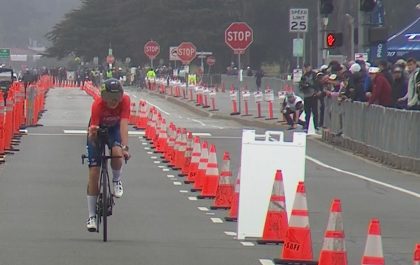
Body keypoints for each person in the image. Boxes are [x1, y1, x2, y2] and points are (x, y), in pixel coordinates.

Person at [85, 78, 131, 232]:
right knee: (94, 172)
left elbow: (124, 124)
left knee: (117, 153)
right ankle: (91, 216)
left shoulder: (125, 101)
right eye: (109, 98)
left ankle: (117, 179)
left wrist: (125, 147)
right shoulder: (97, 105)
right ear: (103, 96)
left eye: (116, 97)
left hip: (114, 130)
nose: (113, 101)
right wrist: (92, 135)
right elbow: (93, 131)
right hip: (97, 130)